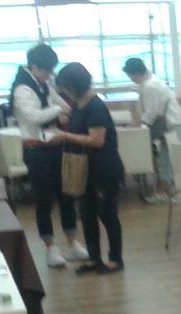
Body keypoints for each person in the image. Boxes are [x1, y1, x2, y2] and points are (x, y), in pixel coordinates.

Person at [9, 43, 88, 268]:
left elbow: (60, 103)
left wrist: (67, 109)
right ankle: (51, 247)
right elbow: (34, 117)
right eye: (46, 70)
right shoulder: (22, 88)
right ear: (34, 66)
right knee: (44, 199)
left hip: (54, 145)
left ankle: (73, 242)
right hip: (36, 149)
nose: (49, 74)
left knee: (66, 195)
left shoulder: (43, 84)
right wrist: (58, 110)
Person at [53, 63, 124, 274]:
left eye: (66, 88)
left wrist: (65, 136)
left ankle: (115, 258)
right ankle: (94, 258)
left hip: (104, 169)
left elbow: (96, 140)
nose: (64, 92)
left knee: (107, 214)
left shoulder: (95, 106)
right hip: (86, 169)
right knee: (87, 214)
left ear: (74, 86)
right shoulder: (78, 105)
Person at [122, 57, 181, 202]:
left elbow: (150, 115)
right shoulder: (152, 82)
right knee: (167, 160)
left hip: (173, 125)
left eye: (130, 76)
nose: (131, 79)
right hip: (175, 124)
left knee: (165, 160)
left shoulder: (150, 86)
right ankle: (170, 191)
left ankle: (165, 192)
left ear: (134, 74)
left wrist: (133, 125)